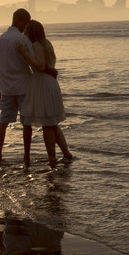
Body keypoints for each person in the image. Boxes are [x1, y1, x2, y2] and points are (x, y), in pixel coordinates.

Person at [0, 8, 57, 164]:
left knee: (3, 122)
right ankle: (26, 156)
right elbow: (35, 63)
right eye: (26, 22)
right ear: (21, 21)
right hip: (23, 87)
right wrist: (50, 70)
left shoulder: (0, 39)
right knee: (26, 123)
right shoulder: (23, 40)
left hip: (6, 87)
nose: (27, 27)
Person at [20, 19, 74, 168]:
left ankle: (52, 157)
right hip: (50, 83)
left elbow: (41, 66)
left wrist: (26, 55)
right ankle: (65, 152)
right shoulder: (47, 43)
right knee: (52, 122)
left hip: (42, 83)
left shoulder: (36, 45)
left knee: (47, 125)